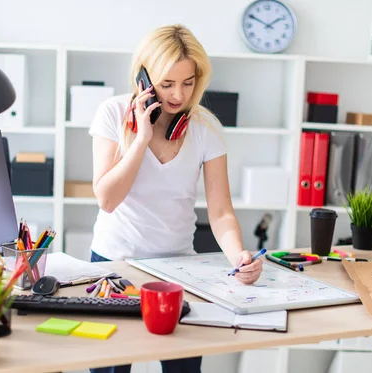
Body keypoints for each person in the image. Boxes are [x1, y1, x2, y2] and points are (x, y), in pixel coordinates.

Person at [87, 24, 263, 373]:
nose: (178, 95)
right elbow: (107, 199)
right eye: (167, 84)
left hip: (178, 270)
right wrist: (140, 139)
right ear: (143, 77)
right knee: (109, 368)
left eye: (188, 82)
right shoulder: (112, 113)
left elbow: (221, 211)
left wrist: (238, 255)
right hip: (114, 265)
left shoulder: (206, 129)